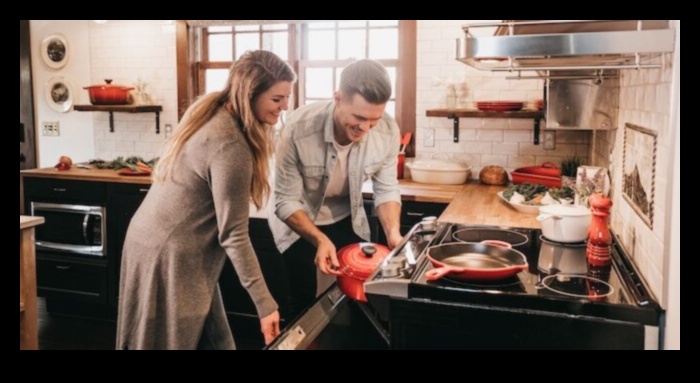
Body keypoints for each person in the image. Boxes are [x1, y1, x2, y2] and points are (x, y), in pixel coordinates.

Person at [116, 50, 296, 350]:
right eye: (277, 99)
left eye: (286, 97)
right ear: (249, 93)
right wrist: (266, 306)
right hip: (170, 253)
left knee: (217, 340)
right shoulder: (230, 144)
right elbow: (234, 236)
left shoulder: (213, 110)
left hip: (156, 242)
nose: (284, 106)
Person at [268, 59, 402, 316]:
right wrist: (319, 239)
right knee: (303, 305)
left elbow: (386, 189)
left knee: (363, 301)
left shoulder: (386, 129)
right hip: (299, 220)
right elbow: (285, 200)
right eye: (359, 117)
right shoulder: (298, 128)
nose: (365, 128)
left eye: (373, 120)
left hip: (348, 218)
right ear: (338, 98)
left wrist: (393, 233)